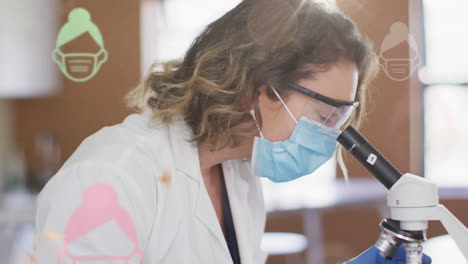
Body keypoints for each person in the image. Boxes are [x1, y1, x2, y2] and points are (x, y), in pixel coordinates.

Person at [32, 0, 431, 263]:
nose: (331, 135)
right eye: (325, 115)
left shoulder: (236, 172)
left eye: (341, 118)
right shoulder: (112, 177)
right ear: (255, 89)